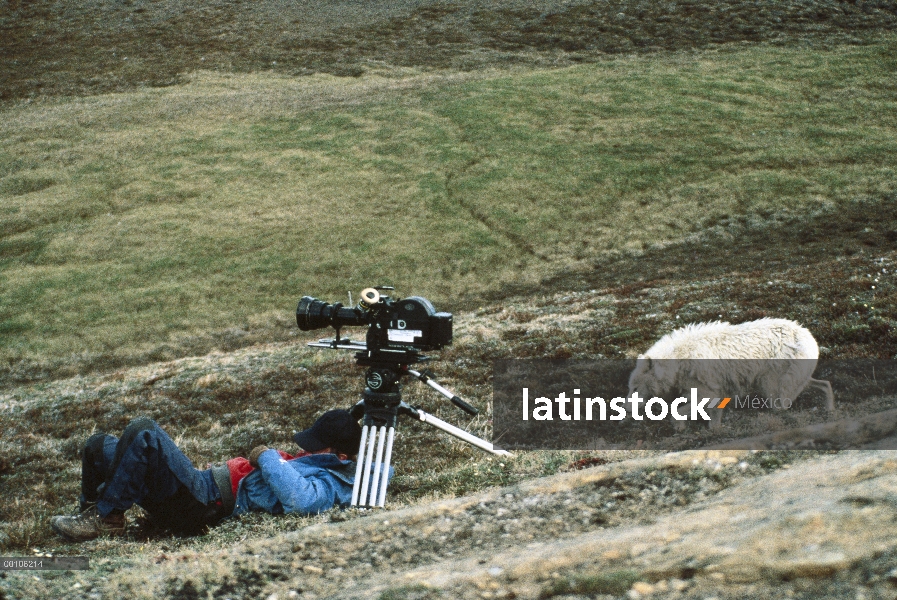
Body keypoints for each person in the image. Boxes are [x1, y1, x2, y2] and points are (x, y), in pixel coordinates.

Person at [50, 409, 370, 542]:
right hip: (201, 487)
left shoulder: (331, 483)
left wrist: (266, 456)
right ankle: (92, 513)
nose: (305, 450)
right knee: (97, 446)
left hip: (203, 503)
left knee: (143, 431)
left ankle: (109, 517)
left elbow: (301, 500)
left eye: (316, 447)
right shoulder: (325, 463)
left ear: (340, 456)